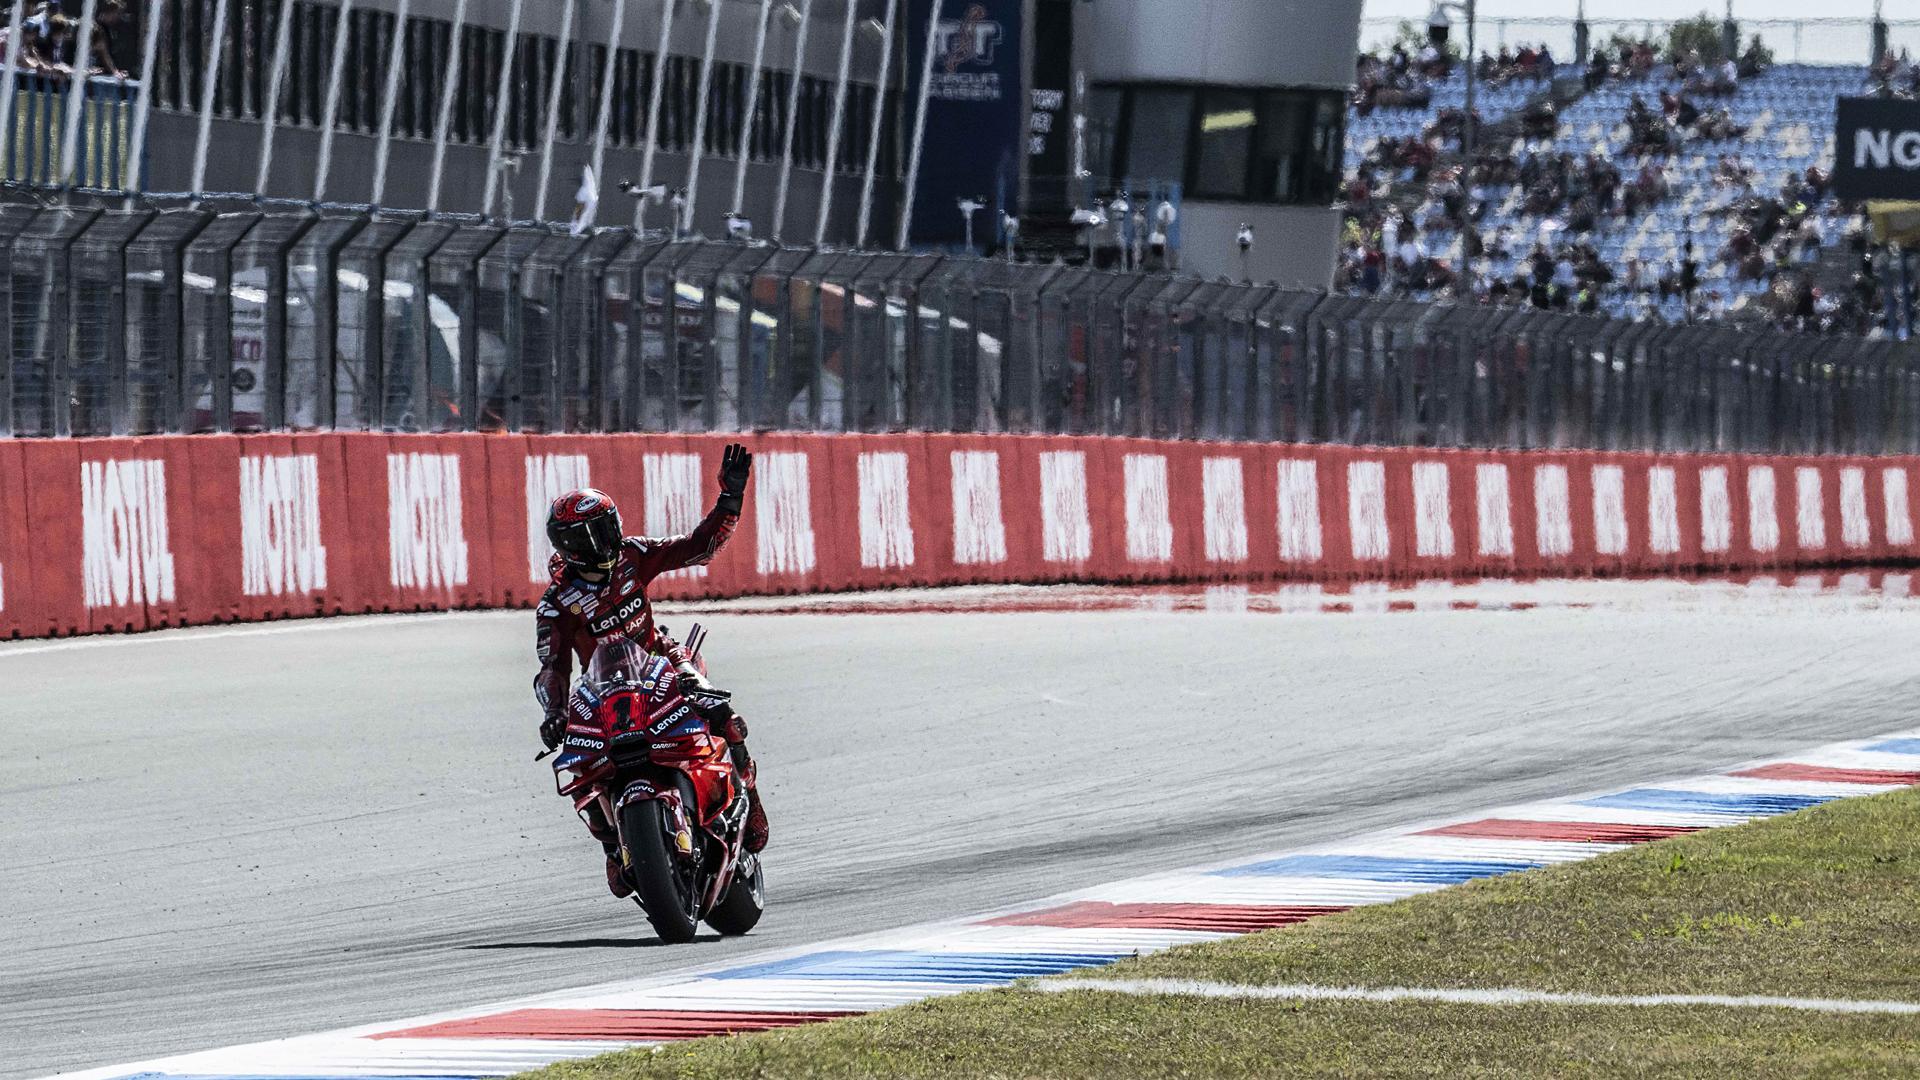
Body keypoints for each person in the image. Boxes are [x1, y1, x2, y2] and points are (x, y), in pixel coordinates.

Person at [533, 443, 768, 897]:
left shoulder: (633, 554)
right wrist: (554, 713)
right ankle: (611, 846)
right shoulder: (556, 602)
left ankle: (750, 798)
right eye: (592, 534)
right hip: (602, 689)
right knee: (578, 763)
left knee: (723, 713)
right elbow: (551, 668)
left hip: (662, 660)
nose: (606, 539)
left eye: (607, 527)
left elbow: (699, 548)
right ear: (571, 545)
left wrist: (731, 497)